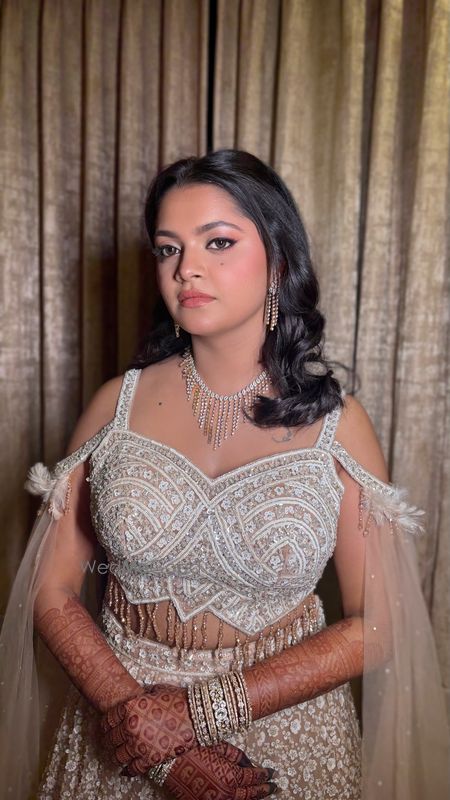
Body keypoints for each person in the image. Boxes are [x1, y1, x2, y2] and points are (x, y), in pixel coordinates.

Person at [0, 149, 448, 800]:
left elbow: (378, 625)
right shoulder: (114, 406)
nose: (187, 268)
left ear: (280, 261)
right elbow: (51, 591)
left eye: (218, 242)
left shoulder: (338, 425)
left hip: (283, 740)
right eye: (168, 249)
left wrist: (197, 715)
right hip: (119, 732)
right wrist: (147, 734)